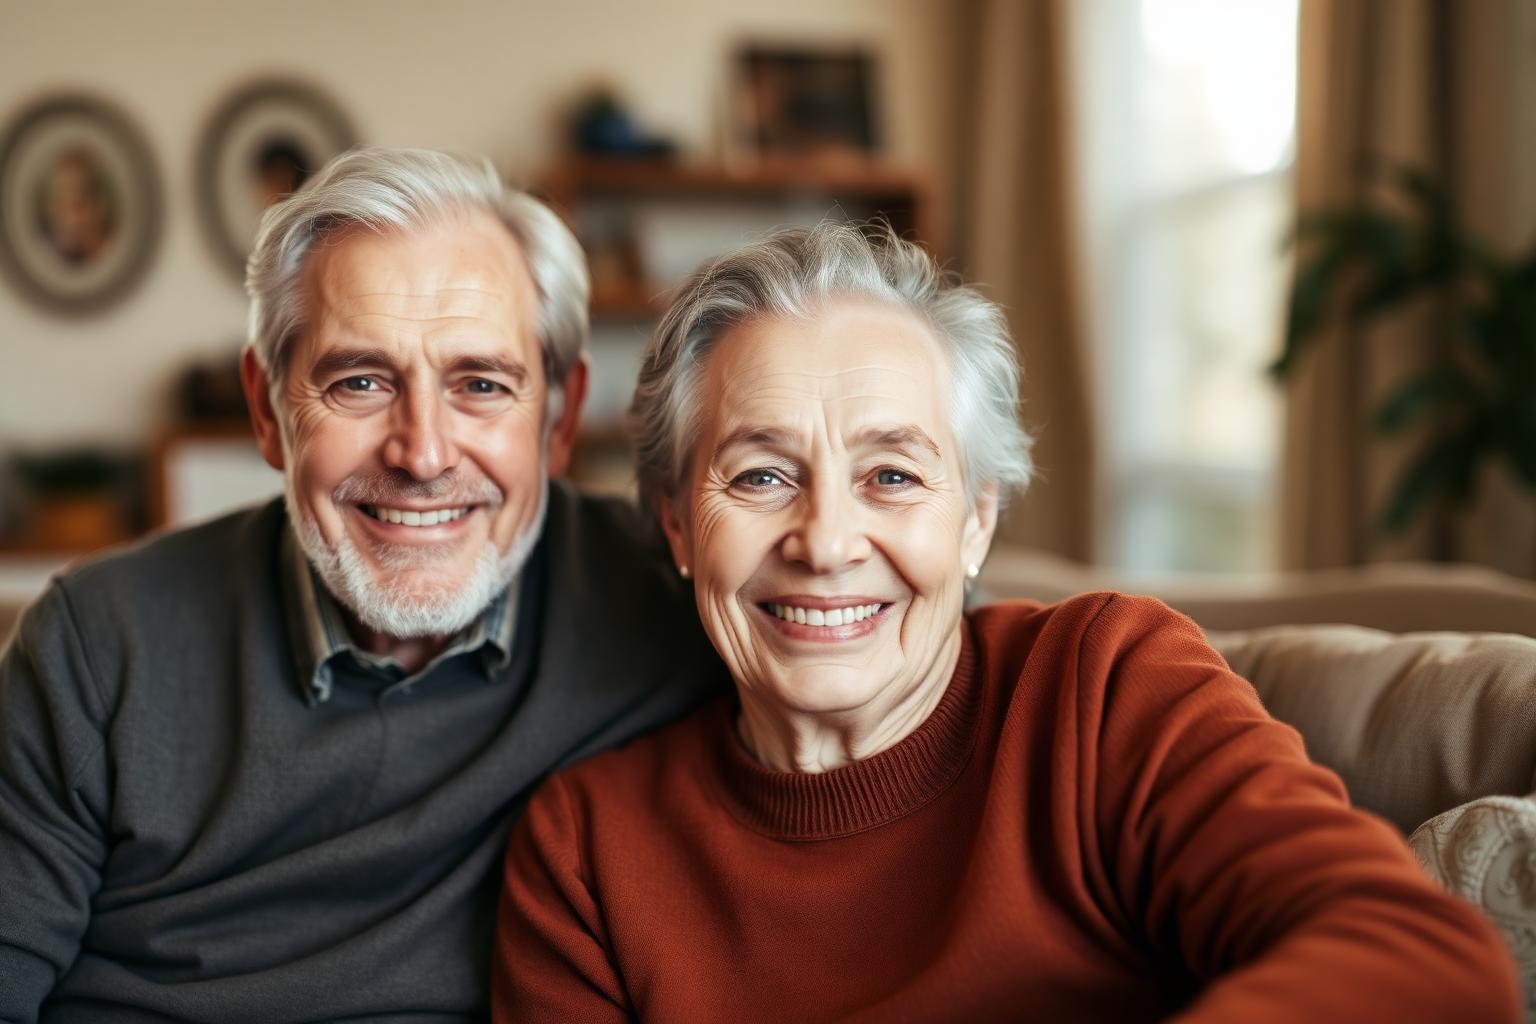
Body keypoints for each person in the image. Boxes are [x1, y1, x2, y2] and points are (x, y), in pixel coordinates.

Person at [493, 222, 1519, 1022]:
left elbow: (1419, 964)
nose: (827, 539)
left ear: (976, 518)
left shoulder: (1105, 684)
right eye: (760, 475)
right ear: (676, 523)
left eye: (892, 474)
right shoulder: (587, 848)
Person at [0, 147, 724, 1022]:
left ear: (561, 418)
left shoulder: (677, 602)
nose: (421, 453)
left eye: (481, 384)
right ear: (268, 411)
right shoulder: (96, 645)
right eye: (360, 381)